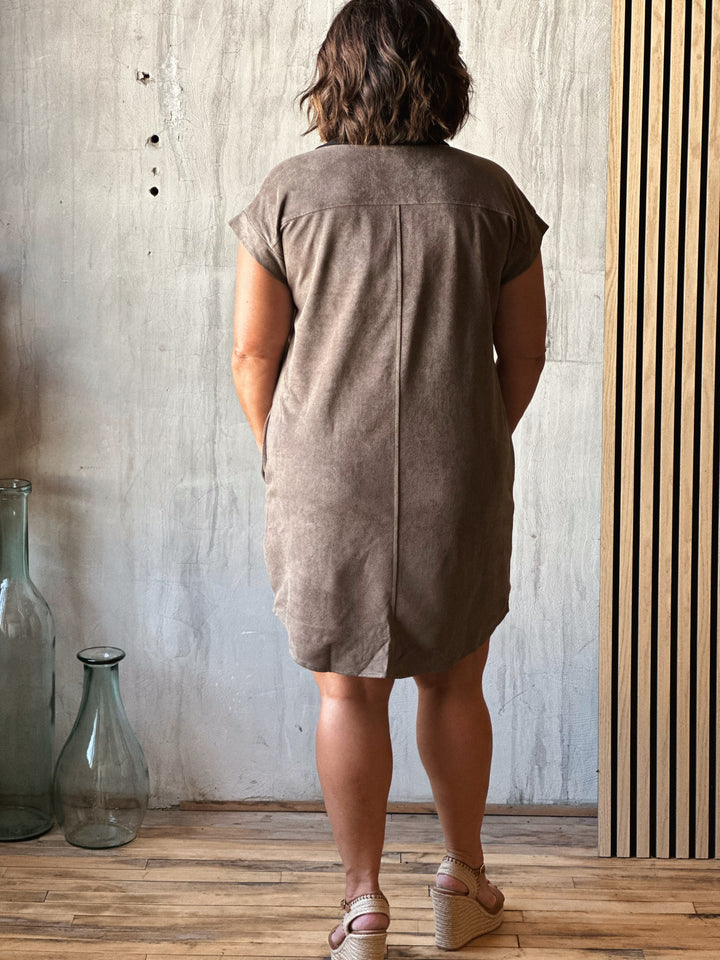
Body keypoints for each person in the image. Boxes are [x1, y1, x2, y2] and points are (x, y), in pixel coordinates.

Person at [230, 1, 548, 955]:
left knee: (346, 693)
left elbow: (254, 356)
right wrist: (476, 441)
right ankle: (462, 877)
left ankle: (363, 905)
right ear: (444, 76)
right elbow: (523, 357)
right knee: (456, 679)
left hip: (323, 469)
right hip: (460, 468)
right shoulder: (490, 195)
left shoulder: (289, 192)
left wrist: (279, 453)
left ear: (335, 75)